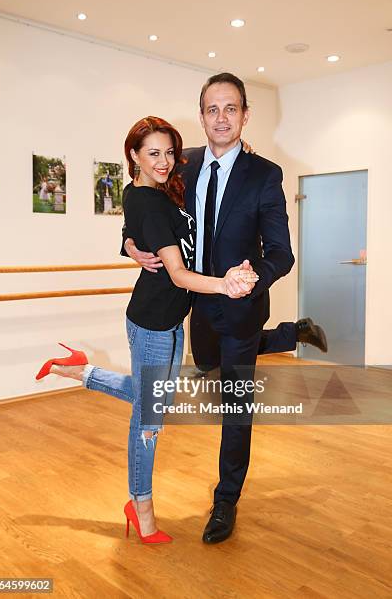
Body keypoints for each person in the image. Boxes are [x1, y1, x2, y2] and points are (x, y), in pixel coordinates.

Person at [36, 115, 259, 545]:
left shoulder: (155, 191)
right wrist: (225, 285)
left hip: (170, 320)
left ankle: (79, 371)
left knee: (151, 399)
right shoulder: (150, 202)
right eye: (152, 153)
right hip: (155, 322)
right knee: (148, 421)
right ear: (133, 156)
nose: (164, 161)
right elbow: (177, 274)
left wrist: (128, 243)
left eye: (170, 153)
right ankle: (140, 506)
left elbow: (133, 224)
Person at [122, 72, 305, 545]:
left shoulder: (265, 173)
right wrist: (127, 244)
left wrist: (252, 277)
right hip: (194, 307)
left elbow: (281, 252)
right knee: (209, 368)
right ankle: (287, 335)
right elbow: (146, 211)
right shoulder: (181, 164)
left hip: (241, 308)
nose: (221, 118)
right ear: (202, 115)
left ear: (246, 114)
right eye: (212, 109)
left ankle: (226, 500)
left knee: (235, 402)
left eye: (231, 108)